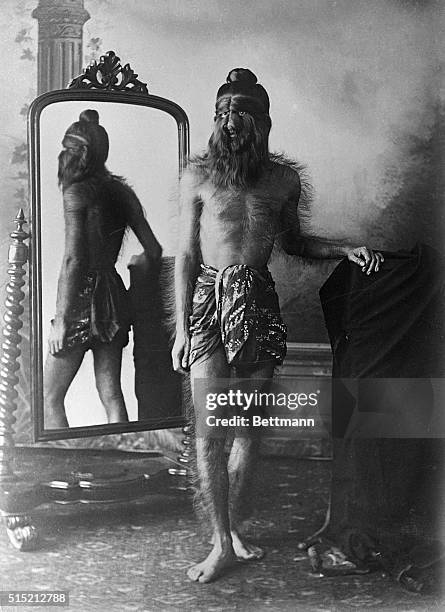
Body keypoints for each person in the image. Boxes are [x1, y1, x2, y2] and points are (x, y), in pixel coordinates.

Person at [172, 68, 384, 584]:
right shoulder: (197, 176)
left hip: (259, 305)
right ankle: (219, 542)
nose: (227, 123)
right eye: (221, 114)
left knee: (247, 425)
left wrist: (345, 250)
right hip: (206, 302)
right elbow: (184, 254)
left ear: (261, 122)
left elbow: (296, 244)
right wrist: (181, 328)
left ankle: (234, 530)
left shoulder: (282, 181)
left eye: (238, 114)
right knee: (209, 424)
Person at [44, 109, 162, 428]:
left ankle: (64, 467)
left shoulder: (75, 192)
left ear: (82, 153)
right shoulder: (122, 193)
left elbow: (73, 260)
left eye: (69, 149)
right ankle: (118, 461)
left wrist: (62, 321)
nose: (64, 156)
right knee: (111, 393)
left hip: (80, 300)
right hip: (114, 297)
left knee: (49, 397)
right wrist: (137, 280)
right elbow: (154, 251)